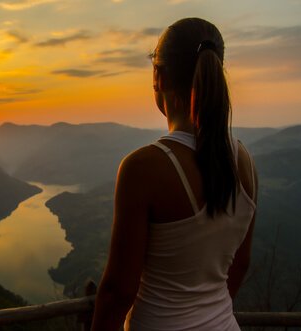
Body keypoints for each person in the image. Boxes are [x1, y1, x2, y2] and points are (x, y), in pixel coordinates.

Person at [91, 18, 258, 331]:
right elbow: (240, 263)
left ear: (158, 76)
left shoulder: (144, 168)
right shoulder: (244, 160)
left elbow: (118, 292)